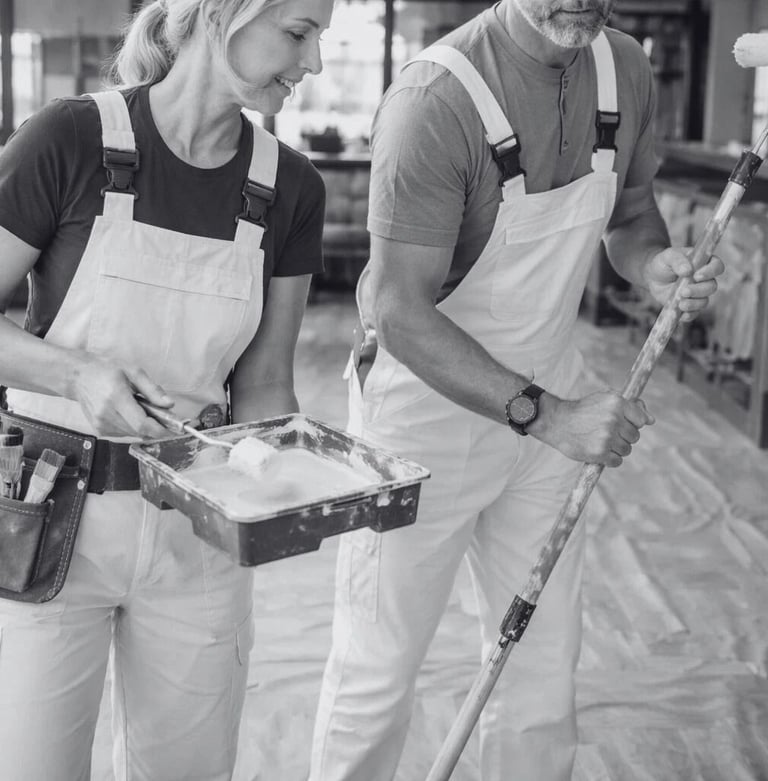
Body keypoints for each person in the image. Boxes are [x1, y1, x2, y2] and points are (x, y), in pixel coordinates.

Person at [310, 1, 724, 779]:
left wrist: (654, 265)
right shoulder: (437, 101)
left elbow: (631, 217)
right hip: (422, 423)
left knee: (539, 666)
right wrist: (549, 416)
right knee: (378, 666)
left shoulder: (625, 68)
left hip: (546, 405)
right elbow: (398, 309)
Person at [0, 0, 332, 778]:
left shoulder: (289, 187)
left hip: (196, 528)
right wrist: (78, 374)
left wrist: (296, 479)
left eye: (322, 38)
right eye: (297, 32)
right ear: (221, 15)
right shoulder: (72, 140)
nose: (313, 62)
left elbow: (263, 384)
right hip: (50, 513)